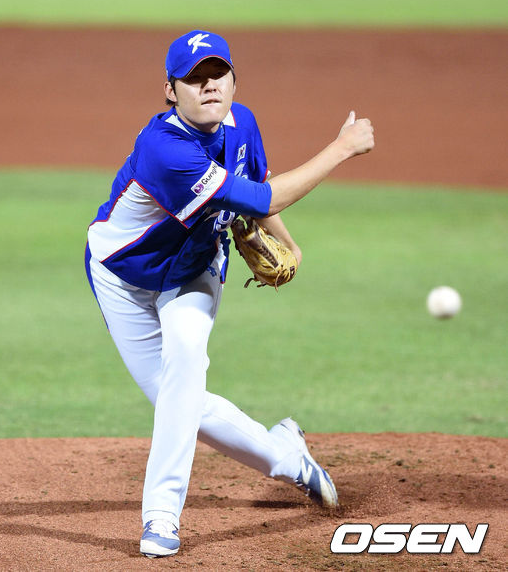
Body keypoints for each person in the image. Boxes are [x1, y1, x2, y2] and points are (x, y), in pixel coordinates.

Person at [85, 29, 374, 558]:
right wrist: (341, 148)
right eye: (194, 78)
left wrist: (291, 245)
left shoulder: (244, 124)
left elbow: (257, 189)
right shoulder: (164, 149)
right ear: (171, 91)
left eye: (218, 74)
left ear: (234, 81)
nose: (209, 85)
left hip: (194, 271)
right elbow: (261, 196)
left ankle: (161, 515)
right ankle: (288, 458)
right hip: (121, 278)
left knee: (185, 361)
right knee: (179, 399)